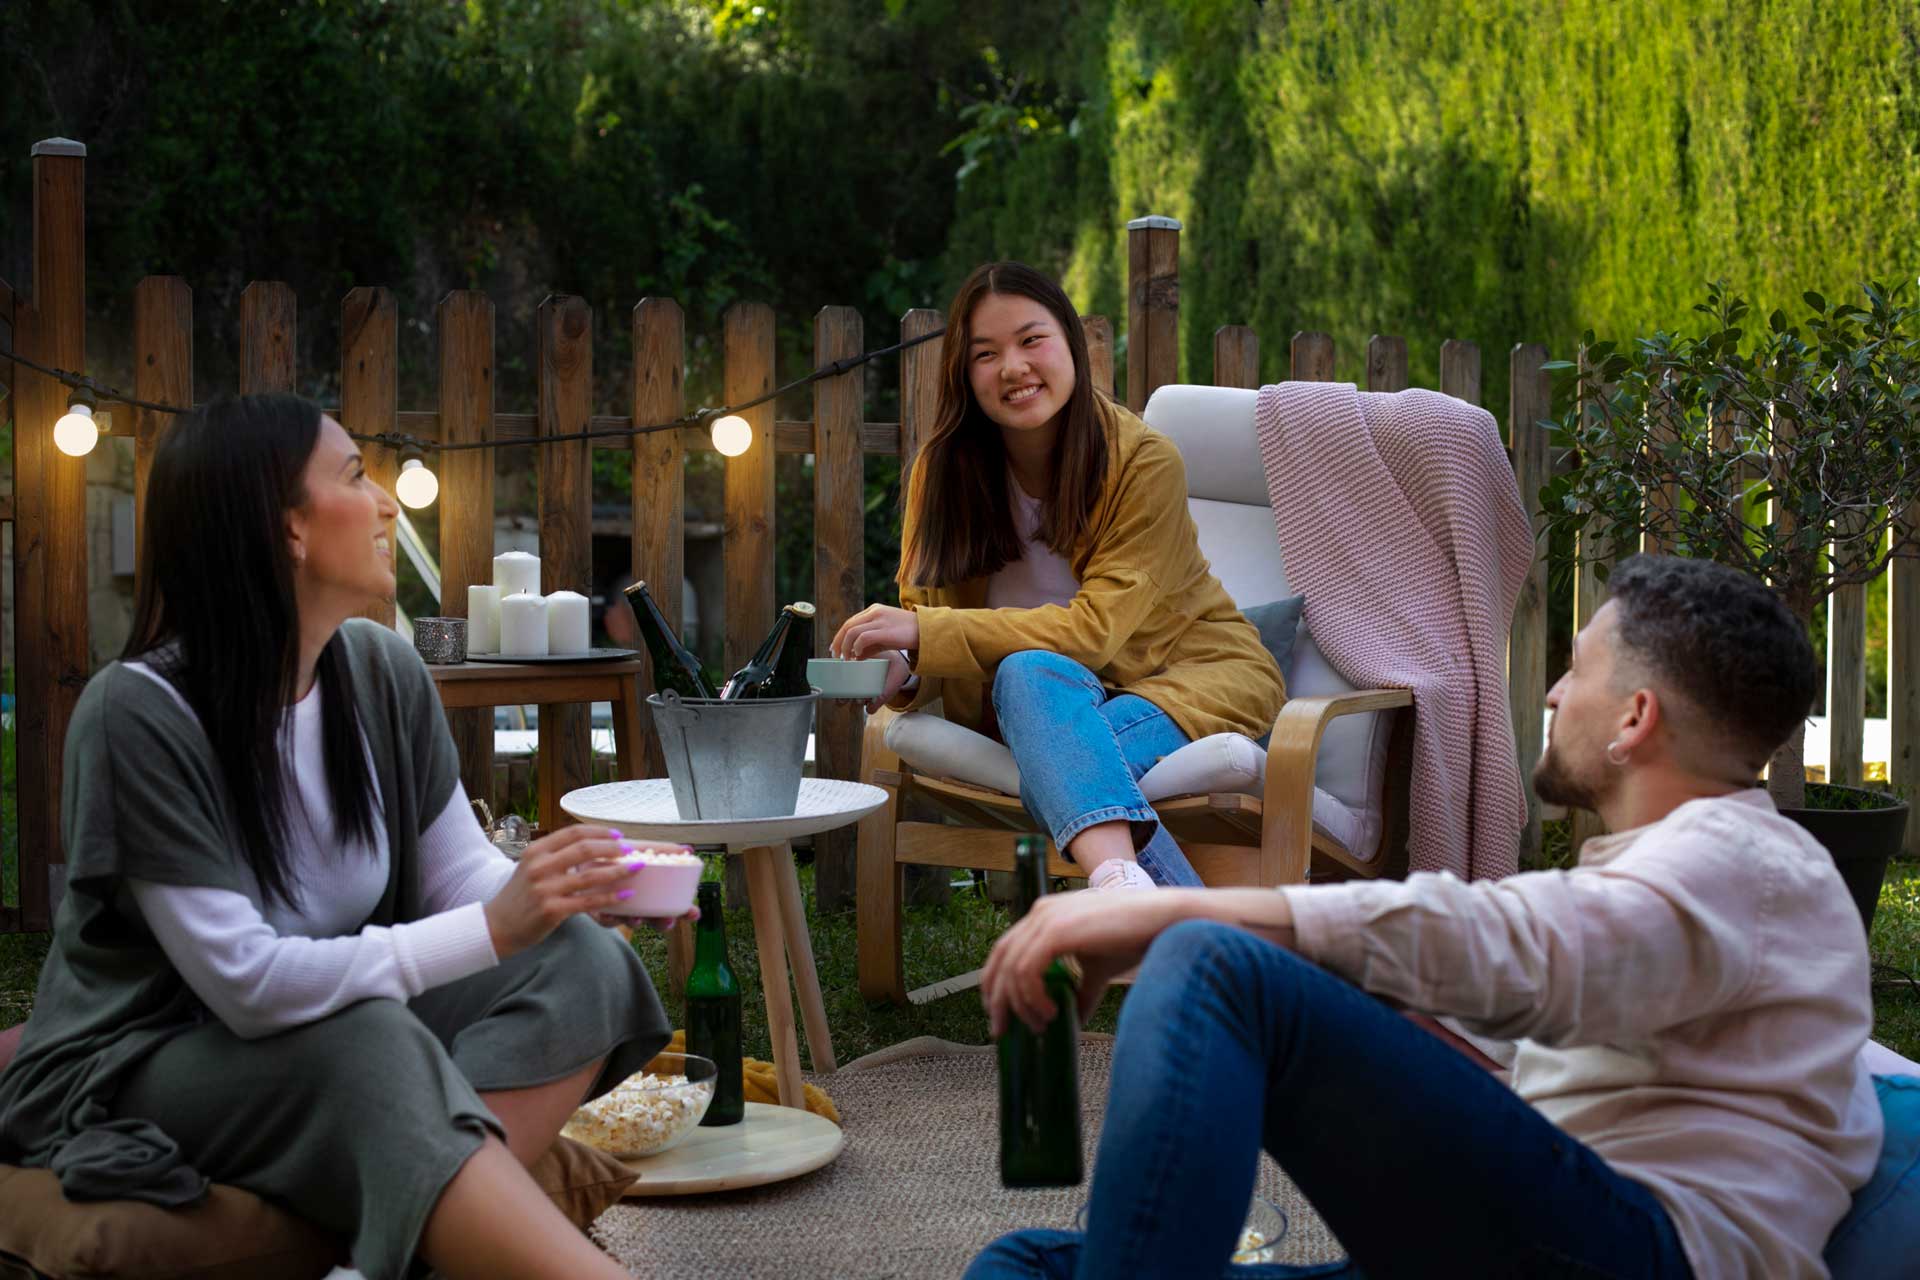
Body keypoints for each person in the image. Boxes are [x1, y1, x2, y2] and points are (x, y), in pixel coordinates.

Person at [969, 554, 1883, 1279]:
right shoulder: (1695, 883)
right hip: (1543, 1230)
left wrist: (1150, 917)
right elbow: (1524, 1003)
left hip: (1643, 1250)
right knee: (1026, 1265)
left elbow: (1516, 945)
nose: (1556, 696)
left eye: (1575, 673)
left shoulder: (1747, 861)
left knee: (1209, 964)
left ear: (1635, 717)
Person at [0, 394, 688, 1280]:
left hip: (324, 1033)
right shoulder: (139, 713)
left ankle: (388, 1257)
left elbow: (456, 879)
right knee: (371, 1040)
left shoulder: (380, 669)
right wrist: (497, 928)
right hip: (146, 1057)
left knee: (586, 966)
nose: (387, 503)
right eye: (356, 475)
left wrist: (573, 902)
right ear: (284, 527)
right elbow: (246, 986)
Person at [831, 261, 1284, 890]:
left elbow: (1094, 634)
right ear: (965, 376)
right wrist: (903, 666)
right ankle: (1136, 894)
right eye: (985, 354)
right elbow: (935, 628)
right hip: (1035, 702)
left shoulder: (1143, 462)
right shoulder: (942, 474)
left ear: (1072, 342)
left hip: (1188, 682)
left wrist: (924, 630)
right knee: (1032, 684)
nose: (1012, 367)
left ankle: (1140, 904)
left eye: (1031, 339)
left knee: (1049, 719)